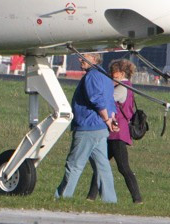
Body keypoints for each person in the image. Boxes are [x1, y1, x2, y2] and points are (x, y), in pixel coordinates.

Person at [55, 52, 119, 202]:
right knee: (102, 166)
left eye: (84, 56)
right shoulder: (104, 75)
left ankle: (62, 197)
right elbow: (110, 100)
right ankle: (110, 201)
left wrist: (106, 118)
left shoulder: (91, 76)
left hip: (88, 127)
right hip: (101, 129)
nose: (79, 59)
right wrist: (111, 119)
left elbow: (96, 99)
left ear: (94, 58)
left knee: (74, 164)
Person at [87, 59, 143, 203]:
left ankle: (137, 199)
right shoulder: (127, 86)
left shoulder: (122, 88)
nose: (111, 74)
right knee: (101, 164)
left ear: (122, 73)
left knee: (123, 168)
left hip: (117, 133)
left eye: (114, 72)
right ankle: (91, 197)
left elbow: (107, 100)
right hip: (114, 133)